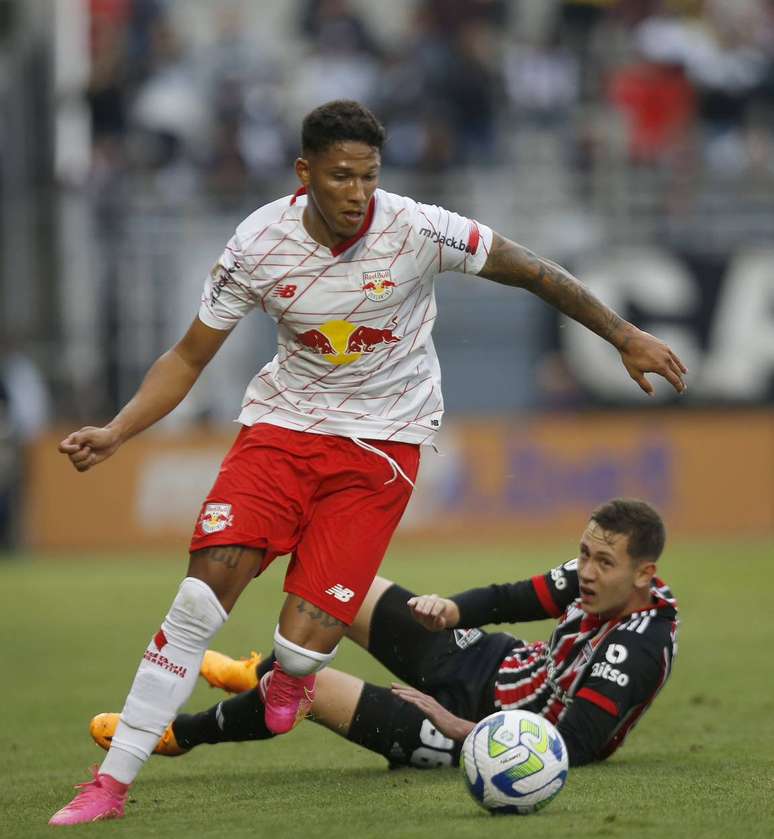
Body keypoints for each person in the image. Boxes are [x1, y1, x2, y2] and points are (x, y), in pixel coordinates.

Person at [50, 100, 686, 825]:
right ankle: (110, 781)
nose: (357, 193)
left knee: (299, 648)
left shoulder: (416, 227)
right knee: (197, 603)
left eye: (369, 177)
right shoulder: (258, 243)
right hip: (281, 431)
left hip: (384, 446)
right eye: (341, 176)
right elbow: (190, 355)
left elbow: (532, 270)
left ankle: (288, 680)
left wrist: (622, 333)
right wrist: (118, 429)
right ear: (305, 173)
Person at [90, 498, 678, 772]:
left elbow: (568, 747)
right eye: (584, 554)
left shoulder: (637, 647)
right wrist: (451, 610)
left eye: (603, 562)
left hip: (489, 737)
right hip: (495, 668)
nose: (587, 571)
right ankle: (258, 674)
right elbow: (511, 599)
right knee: (346, 589)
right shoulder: (590, 578)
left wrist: (462, 729)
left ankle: (180, 734)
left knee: (309, 690)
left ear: (643, 574)